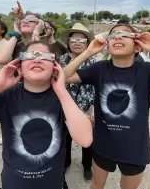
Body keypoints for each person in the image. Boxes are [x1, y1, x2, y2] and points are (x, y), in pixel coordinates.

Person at [63, 23, 150, 189]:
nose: (118, 37)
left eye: (125, 34)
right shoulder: (100, 69)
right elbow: (64, 77)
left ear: (137, 46)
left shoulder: (148, 71)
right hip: (103, 143)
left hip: (134, 147)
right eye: (113, 35)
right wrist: (88, 52)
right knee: (96, 186)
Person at [0, 41, 93, 189]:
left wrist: (61, 90)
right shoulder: (7, 98)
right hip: (14, 183)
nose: (37, 59)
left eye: (45, 56)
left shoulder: (62, 98)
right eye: (29, 56)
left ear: (55, 66)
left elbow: (85, 140)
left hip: (53, 182)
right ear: (19, 65)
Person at [60, 23, 96, 181]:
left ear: (88, 43)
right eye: (73, 39)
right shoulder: (61, 60)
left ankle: (87, 165)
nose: (77, 42)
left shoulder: (95, 62)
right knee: (65, 137)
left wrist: (95, 107)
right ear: (68, 43)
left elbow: (101, 87)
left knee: (88, 139)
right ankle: (66, 161)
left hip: (88, 107)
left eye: (82, 39)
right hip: (64, 107)